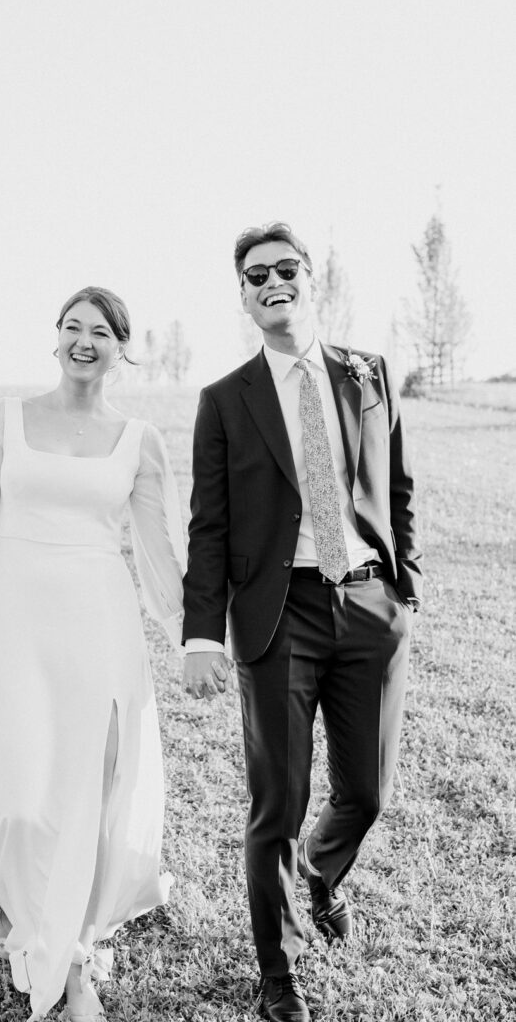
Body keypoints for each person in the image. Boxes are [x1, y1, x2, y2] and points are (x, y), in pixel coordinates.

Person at [0, 286, 186, 1022]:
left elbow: (159, 561)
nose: (83, 341)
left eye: (100, 331)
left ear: (123, 348)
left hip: (99, 625)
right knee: (24, 781)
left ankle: (69, 953)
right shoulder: (4, 420)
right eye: (71, 327)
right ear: (53, 339)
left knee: (89, 783)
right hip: (12, 623)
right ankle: (23, 907)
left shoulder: (139, 441)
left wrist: (199, 635)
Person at [181, 222, 423, 1022]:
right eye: (257, 276)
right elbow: (208, 529)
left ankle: (318, 878)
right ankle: (279, 975)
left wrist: (403, 590)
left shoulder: (368, 372)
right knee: (276, 808)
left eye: (286, 268)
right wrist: (201, 634)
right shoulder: (224, 401)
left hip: (367, 608)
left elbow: (398, 488)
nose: (273, 282)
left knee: (366, 794)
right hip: (275, 617)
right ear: (244, 298)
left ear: (311, 278)